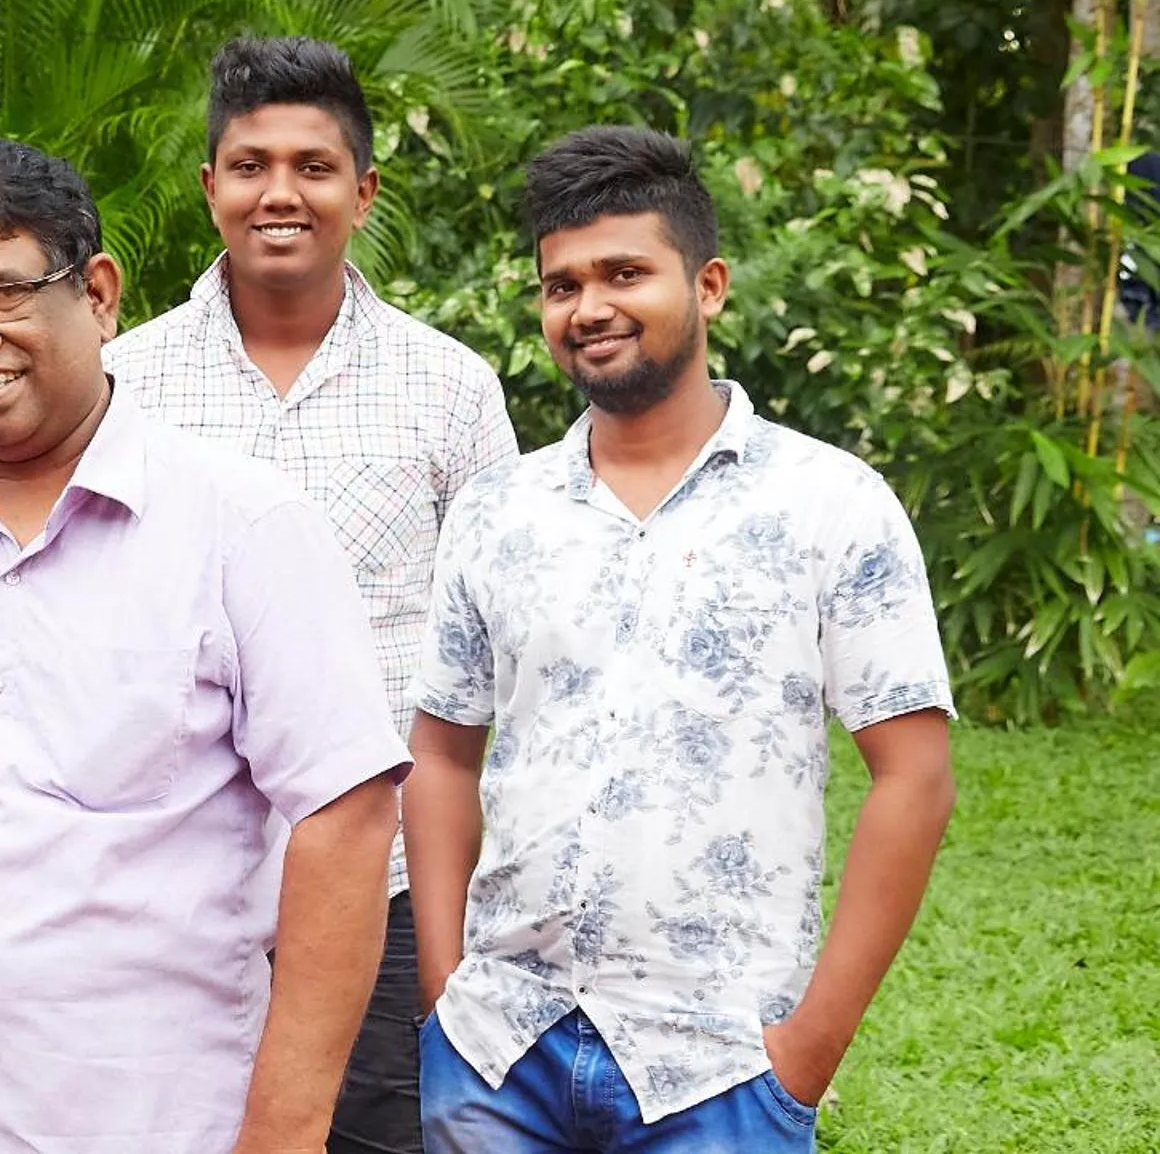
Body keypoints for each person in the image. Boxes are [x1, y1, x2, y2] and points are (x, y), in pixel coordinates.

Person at [0, 138, 412, 1153]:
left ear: (99, 293)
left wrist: (283, 1135)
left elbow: (349, 813)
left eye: (5, 292)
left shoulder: (242, 527)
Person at [405, 127, 957, 1153]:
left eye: (624, 272)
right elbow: (440, 751)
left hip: (721, 1070)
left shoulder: (831, 502)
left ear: (707, 285)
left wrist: (807, 1051)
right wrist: (445, 995)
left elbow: (914, 776)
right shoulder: (497, 511)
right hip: (496, 1053)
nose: (590, 306)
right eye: (561, 283)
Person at [105, 37, 516, 1154]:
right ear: (209, 187)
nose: (279, 192)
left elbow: (497, 666)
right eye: (249, 165)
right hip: (169, 888)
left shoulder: (450, 387)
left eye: (313, 165)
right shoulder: (122, 385)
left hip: (382, 889)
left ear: (364, 190)